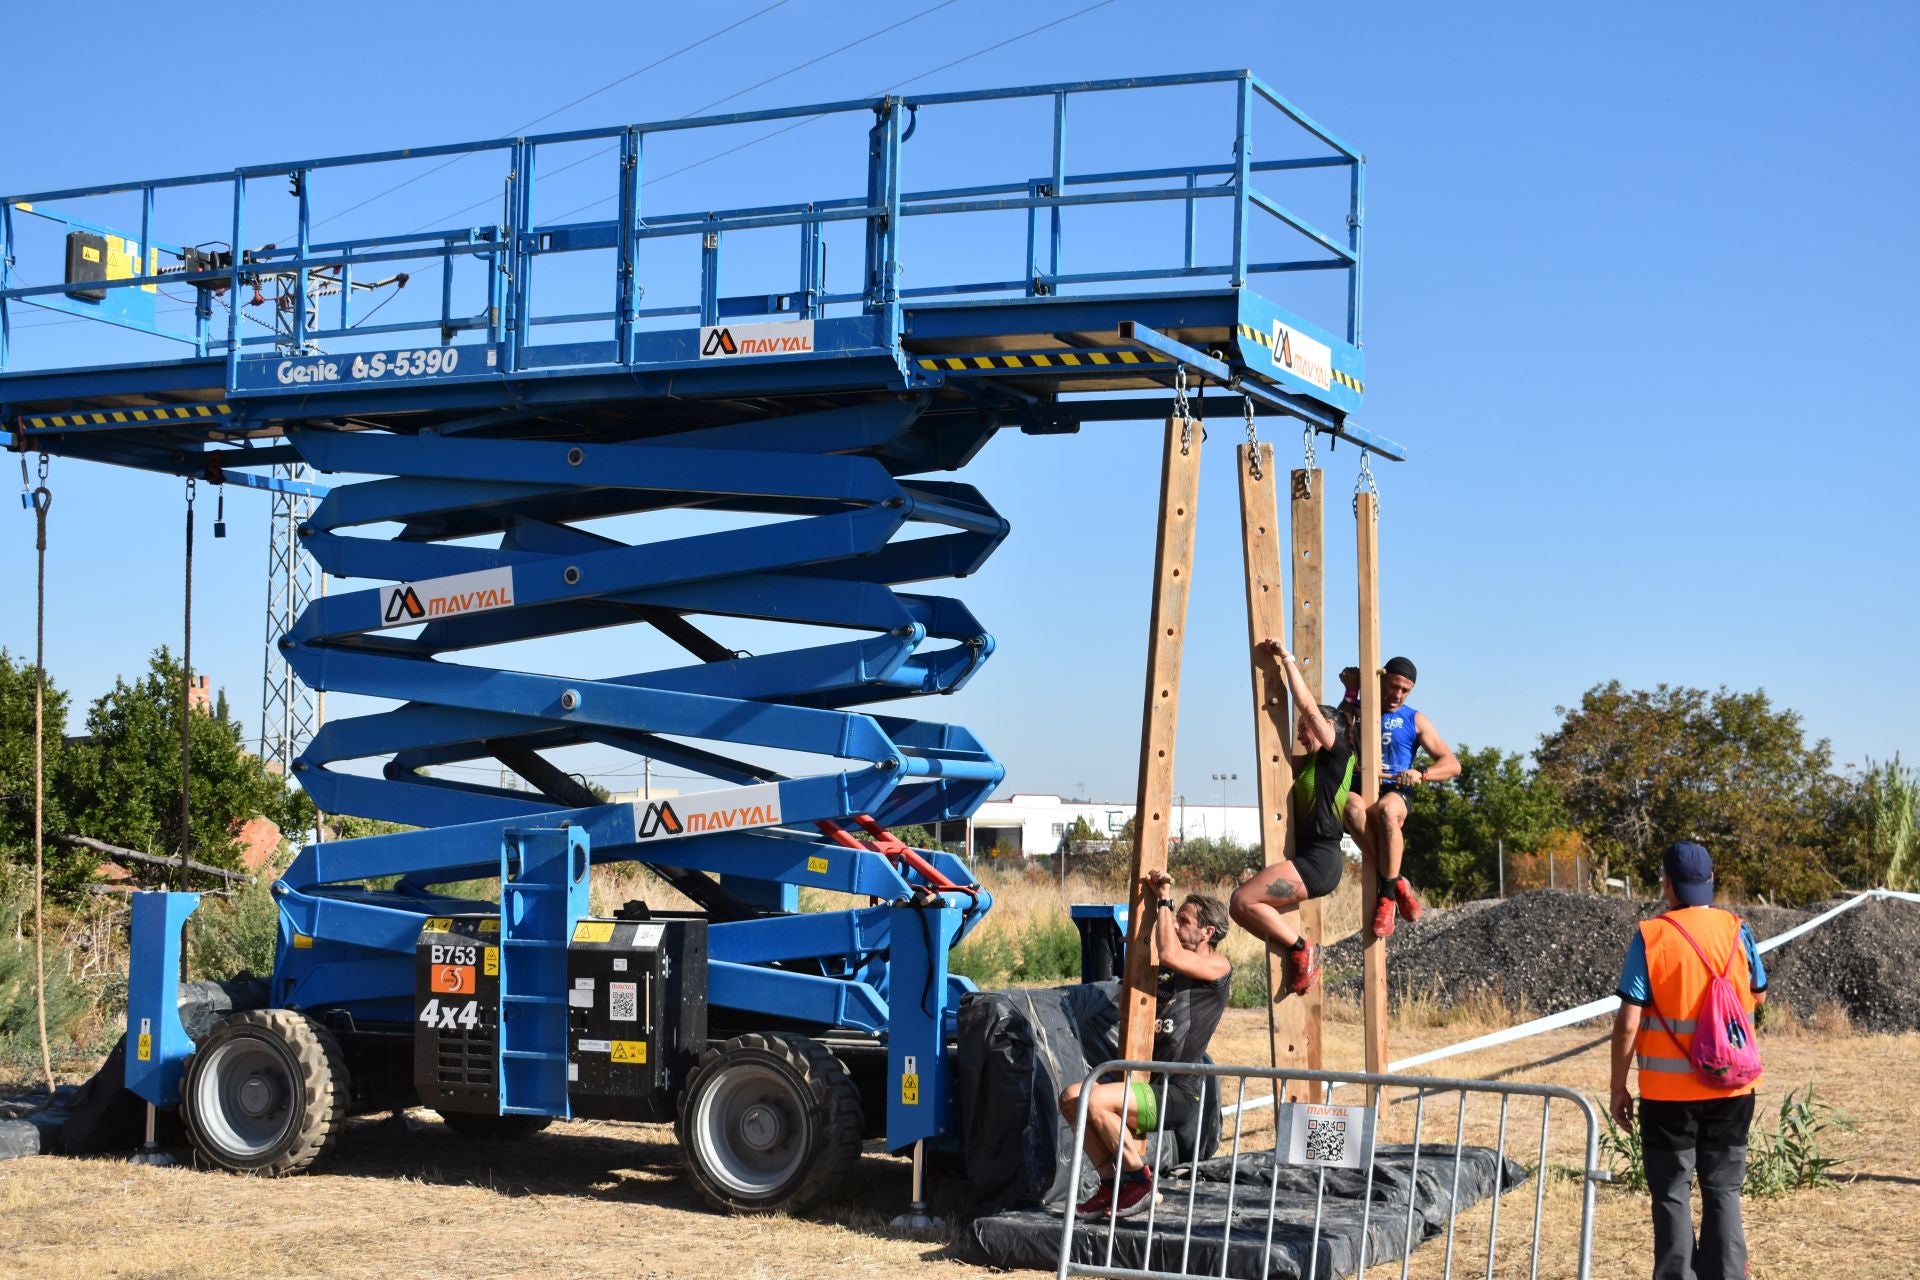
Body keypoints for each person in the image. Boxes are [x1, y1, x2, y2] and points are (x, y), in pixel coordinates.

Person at [1609, 841, 1768, 1280]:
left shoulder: (1652, 936)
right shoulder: (1739, 929)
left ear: (1667, 884)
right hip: (1733, 1088)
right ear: (1711, 880)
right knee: (1724, 1191)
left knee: (1672, 1194)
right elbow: (1760, 992)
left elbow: (1627, 1023)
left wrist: (1617, 1087)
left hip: (1667, 1096)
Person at [1058, 870, 1232, 1218]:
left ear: (1207, 933)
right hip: (1149, 1085)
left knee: (1091, 1098)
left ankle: (1140, 1181)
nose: (1178, 925)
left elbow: (1167, 951)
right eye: (1177, 918)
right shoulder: (1172, 972)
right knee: (1071, 1099)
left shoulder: (1217, 966)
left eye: (1185, 920)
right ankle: (1111, 1184)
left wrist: (1163, 899)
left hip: (1178, 1093)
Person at [1228, 638, 1353, 995]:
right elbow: (1276, 759)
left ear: (1328, 727)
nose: (1300, 731)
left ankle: (1302, 949)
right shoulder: (1311, 763)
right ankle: (1299, 950)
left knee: (1242, 901)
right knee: (1241, 906)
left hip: (1320, 861)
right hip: (1309, 859)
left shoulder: (1338, 753)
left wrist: (1287, 660)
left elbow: (1308, 706)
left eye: (1305, 727)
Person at [1338, 656, 1459, 938]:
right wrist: (1351, 690)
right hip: (1360, 789)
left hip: (1394, 792)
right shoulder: (1358, 710)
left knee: (1386, 811)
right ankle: (1398, 879)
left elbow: (1452, 764)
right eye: (1394, 686)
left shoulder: (1414, 719)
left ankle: (1388, 896)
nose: (1398, 695)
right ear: (1380, 679)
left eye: (1406, 690)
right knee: (1351, 806)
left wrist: (1422, 773)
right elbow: (1334, 729)